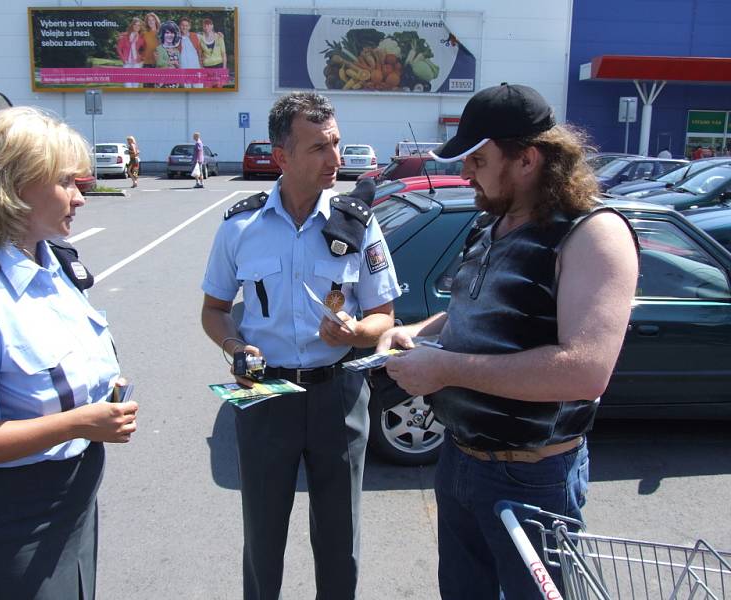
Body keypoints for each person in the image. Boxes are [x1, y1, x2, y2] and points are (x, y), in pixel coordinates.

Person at [375, 83, 639, 599]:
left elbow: (585, 371)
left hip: (533, 480)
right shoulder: (488, 225)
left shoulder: (591, 235)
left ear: (527, 160)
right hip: (458, 461)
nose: (465, 171)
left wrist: (447, 370)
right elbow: (469, 315)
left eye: (477, 158)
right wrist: (416, 332)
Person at [0, 106, 139, 599]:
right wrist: (75, 424)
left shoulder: (53, 262)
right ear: (17, 186)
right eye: (65, 181)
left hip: (72, 502)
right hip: (8, 520)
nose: (79, 196)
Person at [201, 91, 401, 600]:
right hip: (265, 395)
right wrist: (233, 345)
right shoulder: (240, 226)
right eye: (319, 148)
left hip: (337, 395)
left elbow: (385, 316)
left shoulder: (357, 221)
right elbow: (214, 308)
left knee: (340, 538)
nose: (336, 159)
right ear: (281, 156)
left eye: (337, 143)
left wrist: (358, 333)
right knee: (262, 536)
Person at [116, 17, 145, 88]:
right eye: (135, 25)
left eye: (139, 25)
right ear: (132, 26)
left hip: (137, 64)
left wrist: (141, 59)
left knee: (135, 86)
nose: (137, 27)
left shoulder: (141, 38)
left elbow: (145, 50)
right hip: (127, 63)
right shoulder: (125, 36)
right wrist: (123, 59)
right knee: (127, 85)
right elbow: (119, 49)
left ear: (140, 27)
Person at [198, 17, 227, 87]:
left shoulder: (219, 37)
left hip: (218, 65)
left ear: (212, 26)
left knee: (219, 87)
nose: (206, 27)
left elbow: (223, 54)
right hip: (207, 67)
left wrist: (224, 69)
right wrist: (201, 67)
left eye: (208, 25)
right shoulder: (200, 38)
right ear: (203, 27)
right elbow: (200, 55)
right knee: (208, 88)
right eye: (205, 26)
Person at [155, 20, 182, 88]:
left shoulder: (176, 50)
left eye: (172, 33)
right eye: (167, 33)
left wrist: (176, 65)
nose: (170, 35)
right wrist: (173, 62)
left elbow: (179, 66)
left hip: (175, 81)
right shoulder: (159, 48)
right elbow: (159, 63)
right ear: (163, 34)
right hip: (163, 82)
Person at [178, 17, 203, 89]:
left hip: (196, 67)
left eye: (186, 25)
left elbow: (208, 36)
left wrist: (218, 34)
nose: (184, 27)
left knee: (198, 89)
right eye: (182, 25)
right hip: (183, 68)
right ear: (180, 26)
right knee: (186, 90)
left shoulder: (195, 35)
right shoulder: (176, 37)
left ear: (189, 27)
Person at [140, 12, 160, 88]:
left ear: (156, 21)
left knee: (158, 88)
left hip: (159, 64)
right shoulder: (144, 34)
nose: (151, 22)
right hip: (147, 64)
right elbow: (139, 47)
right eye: (149, 20)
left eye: (152, 20)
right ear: (147, 22)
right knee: (147, 88)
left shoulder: (161, 33)